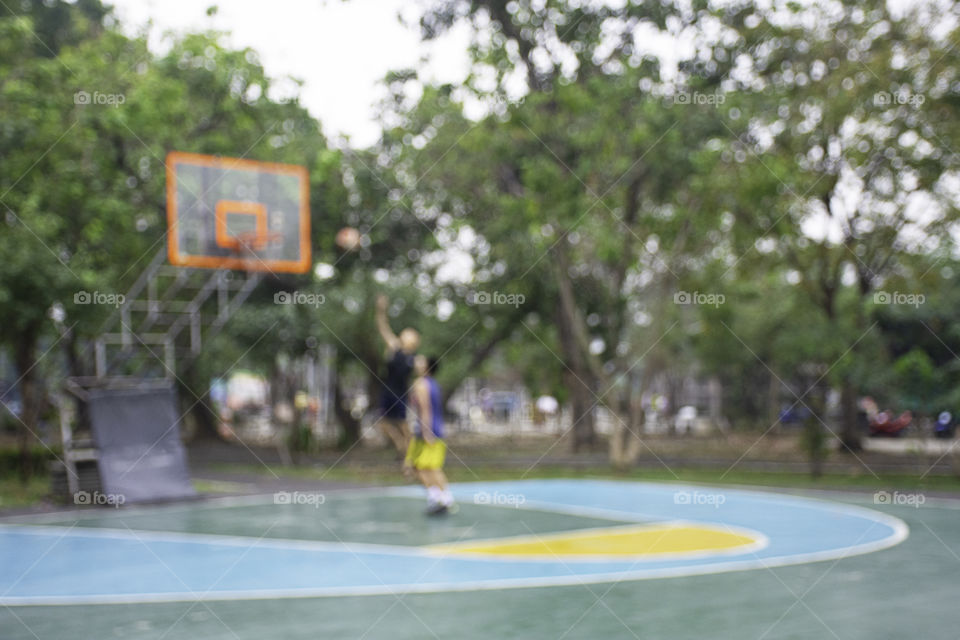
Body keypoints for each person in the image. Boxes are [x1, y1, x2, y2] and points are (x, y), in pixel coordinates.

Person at [405, 355, 454, 515]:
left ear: (426, 366)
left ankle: (444, 498)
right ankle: (436, 497)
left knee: (430, 467)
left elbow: (426, 409)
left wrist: (426, 431)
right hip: (430, 429)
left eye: (420, 360)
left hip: (429, 430)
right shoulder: (433, 384)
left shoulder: (421, 384)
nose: (416, 362)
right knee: (419, 466)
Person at [374, 294, 420, 456]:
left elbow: (421, 376)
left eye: (409, 334)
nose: (405, 334)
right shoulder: (395, 347)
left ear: (415, 340)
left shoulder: (414, 359)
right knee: (383, 424)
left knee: (403, 425)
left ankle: (411, 455)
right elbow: (383, 328)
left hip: (401, 394)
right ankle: (401, 446)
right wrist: (381, 310)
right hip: (388, 391)